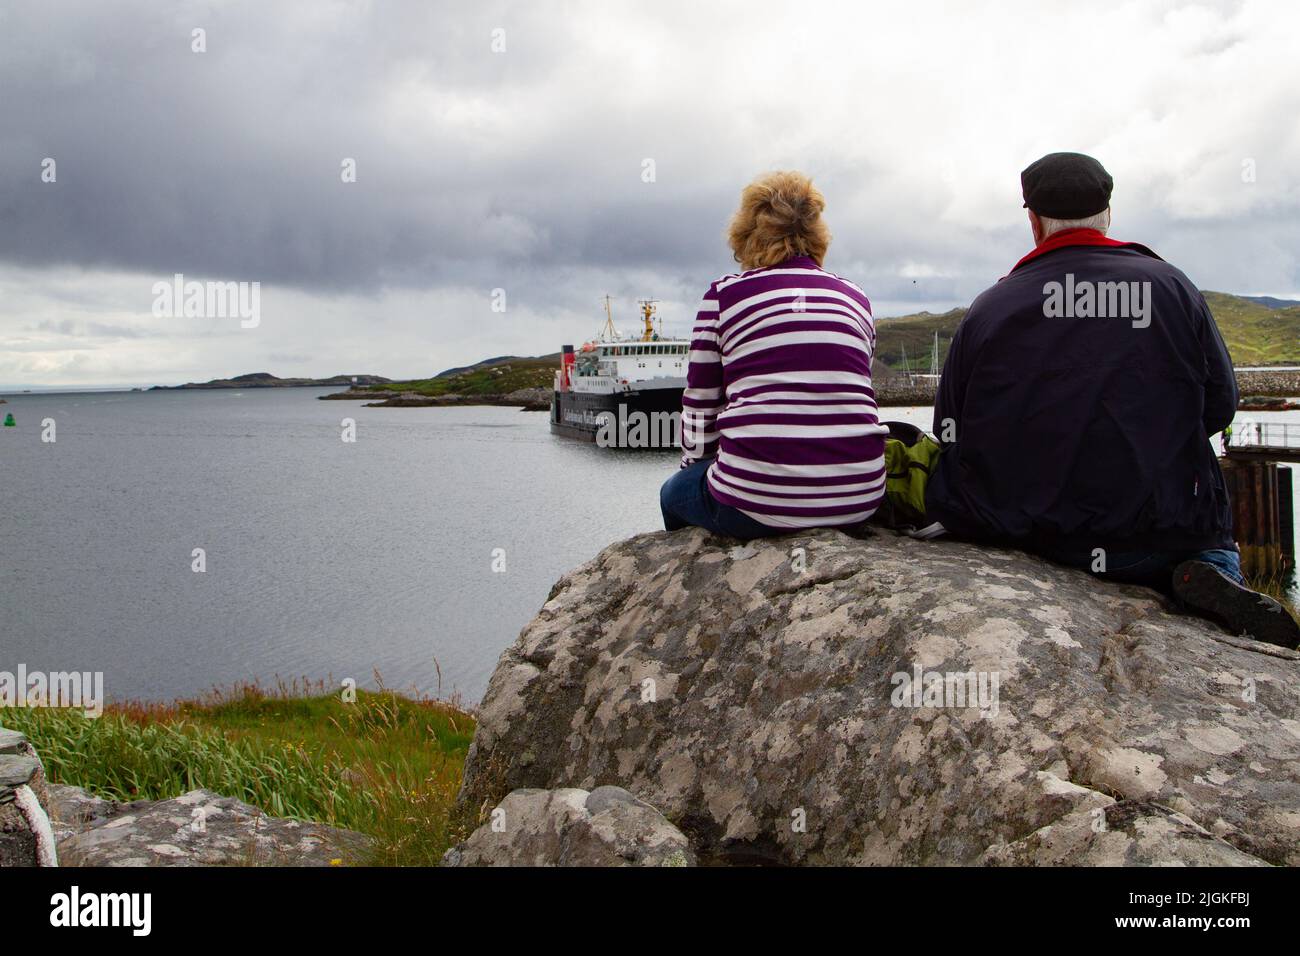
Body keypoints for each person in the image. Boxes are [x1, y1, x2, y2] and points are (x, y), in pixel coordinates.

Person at [924, 151, 1298, 649]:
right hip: (1159, 533)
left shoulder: (991, 306)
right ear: (1107, 215)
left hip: (1029, 532)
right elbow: (1220, 404)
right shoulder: (1171, 286)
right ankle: (1205, 571)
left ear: (1034, 222)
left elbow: (950, 427)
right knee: (1200, 532)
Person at [659, 170, 888, 539]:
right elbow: (852, 390)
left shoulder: (723, 296)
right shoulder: (855, 297)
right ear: (816, 234)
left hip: (755, 502)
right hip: (859, 498)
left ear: (746, 234)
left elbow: (701, 406)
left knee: (673, 494)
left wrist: (693, 470)